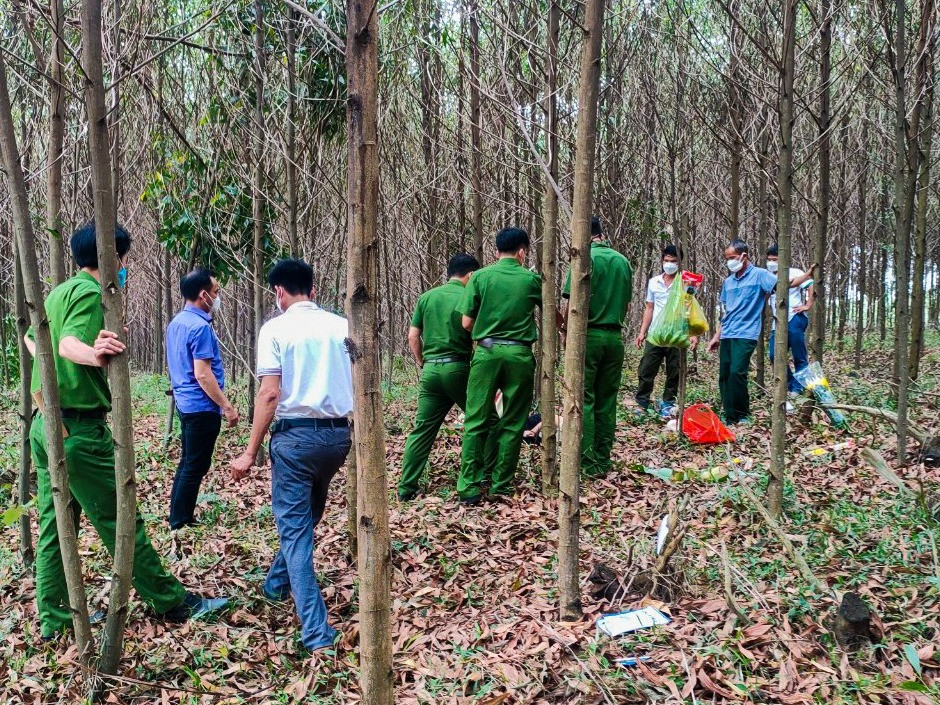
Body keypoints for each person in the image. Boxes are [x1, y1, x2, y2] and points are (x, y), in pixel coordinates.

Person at [25, 221, 227, 641]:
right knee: (121, 519)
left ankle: (55, 618)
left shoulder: (60, 291)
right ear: (109, 257)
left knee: (54, 523)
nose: (125, 266)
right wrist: (93, 353)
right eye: (123, 258)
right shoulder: (88, 293)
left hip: (47, 425)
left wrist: (68, 355)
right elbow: (65, 345)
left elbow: (33, 339)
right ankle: (171, 602)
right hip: (78, 430)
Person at [230, 258, 353, 652]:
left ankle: (317, 633)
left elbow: (269, 393)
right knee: (309, 516)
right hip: (337, 439)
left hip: (295, 440)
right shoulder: (341, 325)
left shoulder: (276, 328)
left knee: (296, 531)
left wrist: (250, 451)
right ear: (313, 291)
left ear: (279, 292)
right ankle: (277, 583)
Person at [398, 253, 496, 501]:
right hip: (458, 369)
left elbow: (412, 335)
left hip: (430, 370)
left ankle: (406, 488)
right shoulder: (470, 297)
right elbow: (477, 333)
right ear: (471, 275)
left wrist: (422, 362)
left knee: (423, 430)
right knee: (486, 420)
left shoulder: (427, 297)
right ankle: (484, 475)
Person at [456, 227, 541, 503]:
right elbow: (554, 318)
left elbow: (466, 323)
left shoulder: (480, 277)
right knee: (514, 422)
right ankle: (501, 484)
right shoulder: (531, 280)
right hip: (520, 355)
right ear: (522, 252)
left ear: (496, 251)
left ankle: (469, 486)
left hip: (487, 354)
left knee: (476, 419)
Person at [165, 269, 239, 530]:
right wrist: (226, 406)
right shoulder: (199, 327)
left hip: (185, 405)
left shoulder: (177, 323)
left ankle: (178, 514)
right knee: (196, 464)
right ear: (203, 294)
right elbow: (203, 374)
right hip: (201, 407)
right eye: (216, 292)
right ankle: (180, 521)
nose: (218, 297)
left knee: (189, 461)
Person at [560, 217, 633, 476]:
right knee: (607, 399)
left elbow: (572, 305)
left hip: (588, 337)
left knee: (584, 399)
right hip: (615, 338)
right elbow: (626, 302)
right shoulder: (623, 262)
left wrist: (567, 335)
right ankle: (603, 459)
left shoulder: (583, 259)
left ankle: (587, 460)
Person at [706, 239, 778, 425]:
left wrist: (808, 278)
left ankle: (742, 413)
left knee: (737, 372)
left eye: (733, 257)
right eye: (727, 258)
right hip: (728, 333)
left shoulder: (761, 275)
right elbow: (727, 312)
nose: (730, 261)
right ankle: (729, 414)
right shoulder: (728, 282)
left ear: (744, 256)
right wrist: (716, 336)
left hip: (746, 333)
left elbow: (784, 285)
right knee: (725, 373)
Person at [634, 245, 699, 417]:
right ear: (662, 261)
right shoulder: (654, 282)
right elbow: (649, 307)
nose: (669, 264)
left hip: (677, 334)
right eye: (667, 261)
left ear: (679, 262)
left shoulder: (686, 282)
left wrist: (692, 334)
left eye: (673, 261)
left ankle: (668, 403)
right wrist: (642, 332)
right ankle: (642, 402)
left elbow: (690, 308)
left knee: (674, 370)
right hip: (655, 333)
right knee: (646, 368)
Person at [766, 245, 814, 400]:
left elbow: (809, 284)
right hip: (777, 322)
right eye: (769, 260)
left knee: (799, 355)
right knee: (774, 355)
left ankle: (802, 388)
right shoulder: (768, 276)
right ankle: (793, 384)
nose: (771, 262)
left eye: (775, 260)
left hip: (794, 318)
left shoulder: (794, 272)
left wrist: (808, 305)